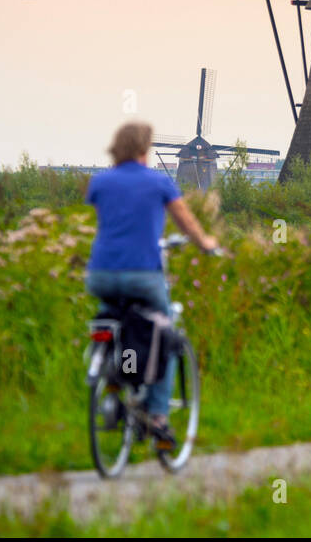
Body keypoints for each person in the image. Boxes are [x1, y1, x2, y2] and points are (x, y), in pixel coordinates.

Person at [84, 122, 219, 448]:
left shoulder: (100, 183)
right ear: (146, 148)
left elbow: (113, 219)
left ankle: (109, 371)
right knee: (166, 334)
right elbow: (185, 221)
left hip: (101, 274)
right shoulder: (159, 182)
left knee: (110, 319)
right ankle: (158, 416)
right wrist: (206, 243)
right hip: (143, 274)